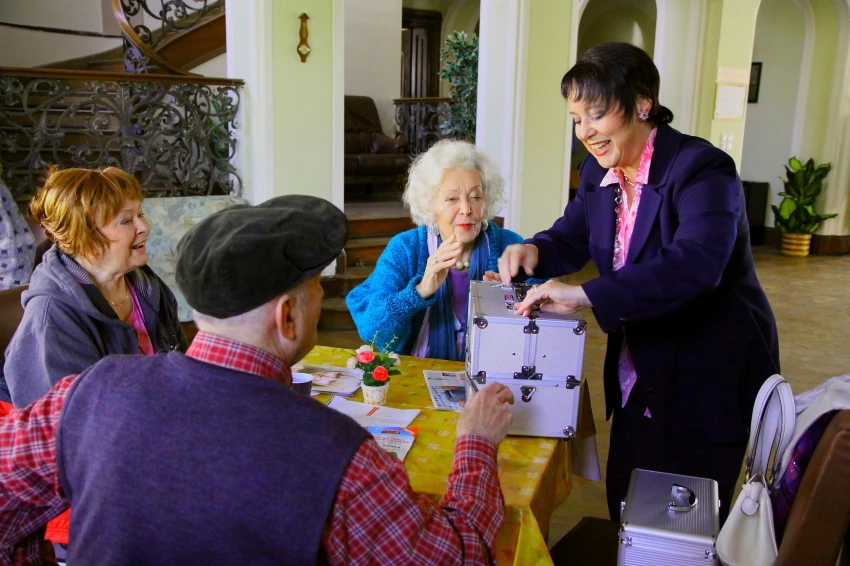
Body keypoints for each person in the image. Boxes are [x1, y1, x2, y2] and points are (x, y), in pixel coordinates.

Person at [0, 194, 516, 565]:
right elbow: (460, 555)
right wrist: (475, 443)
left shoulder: (88, 393)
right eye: (317, 286)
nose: (321, 297)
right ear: (287, 316)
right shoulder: (340, 458)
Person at [498, 42, 780, 521]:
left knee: (682, 527)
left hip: (705, 376)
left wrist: (586, 294)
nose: (584, 131)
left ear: (642, 104)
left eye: (596, 114)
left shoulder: (701, 169)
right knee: (625, 508)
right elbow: (573, 233)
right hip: (639, 374)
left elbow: (696, 263)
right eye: (575, 118)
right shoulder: (597, 170)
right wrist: (535, 249)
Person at [3, 167, 187, 408]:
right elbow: (70, 421)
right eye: (126, 220)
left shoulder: (146, 286)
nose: (144, 226)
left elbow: (181, 364)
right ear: (83, 233)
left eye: (140, 214)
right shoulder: (51, 317)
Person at [346, 139, 539, 360]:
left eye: (476, 197)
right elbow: (373, 331)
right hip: (418, 374)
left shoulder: (510, 246)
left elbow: (542, 329)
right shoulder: (406, 249)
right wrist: (419, 291)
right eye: (451, 199)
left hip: (491, 378)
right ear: (430, 205)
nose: (466, 209)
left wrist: (507, 302)